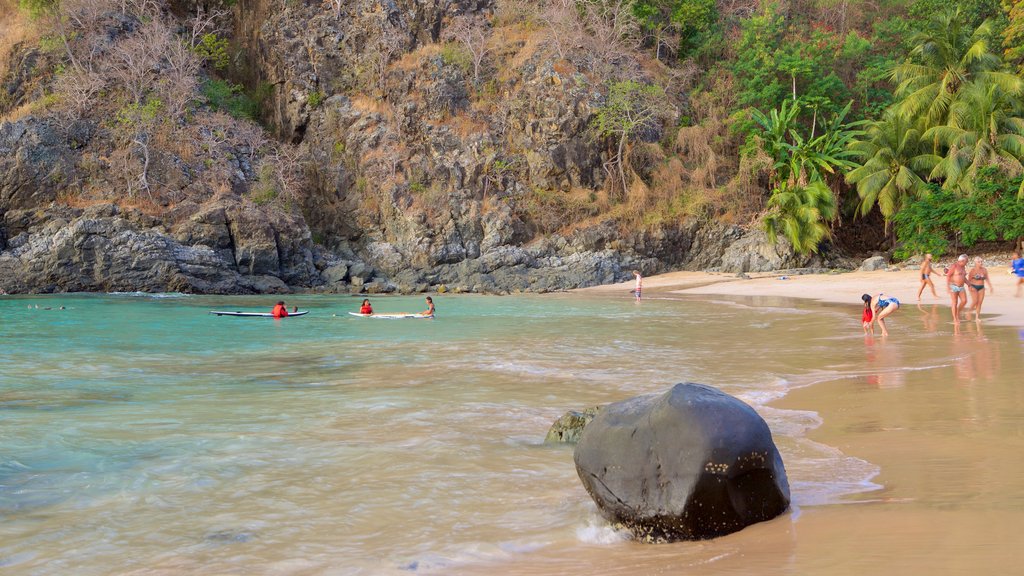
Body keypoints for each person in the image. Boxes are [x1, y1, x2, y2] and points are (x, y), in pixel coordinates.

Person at [967, 256, 993, 321]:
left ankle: (977, 317)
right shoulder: (972, 270)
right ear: (975, 263)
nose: (981, 263)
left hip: (981, 287)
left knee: (980, 303)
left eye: (981, 261)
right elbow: (969, 280)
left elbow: (987, 279)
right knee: (975, 301)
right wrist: (969, 287)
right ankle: (969, 312)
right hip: (973, 287)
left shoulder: (984, 270)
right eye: (979, 262)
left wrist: (990, 286)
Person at [946, 254, 968, 325]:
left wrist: (969, 284)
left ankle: (957, 312)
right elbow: (948, 276)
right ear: (962, 261)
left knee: (964, 301)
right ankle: (955, 318)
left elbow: (963, 277)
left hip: (961, 287)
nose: (967, 262)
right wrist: (948, 286)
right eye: (966, 260)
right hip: (953, 286)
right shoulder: (954, 266)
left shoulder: (963, 266)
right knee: (954, 303)